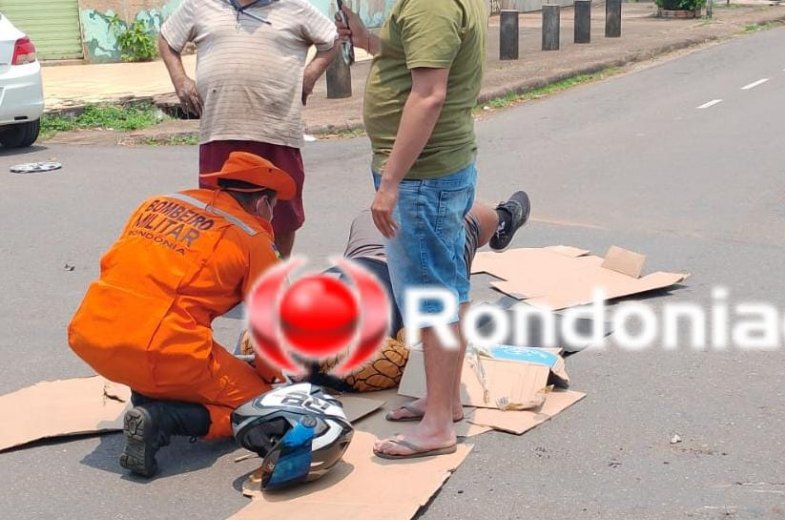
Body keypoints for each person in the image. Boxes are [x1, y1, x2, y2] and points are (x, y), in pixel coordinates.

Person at [67, 152, 296, 479]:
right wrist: (271, 379)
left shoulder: (156, 203)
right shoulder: (251, 238)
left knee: (175, 351)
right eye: (273, 208)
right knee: (259, 407)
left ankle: (152, 395)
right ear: (262, 204)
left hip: (92, 335)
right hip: (160, 350)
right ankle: (162, 419)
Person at [336, 0, 486, 460]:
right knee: (444, 289)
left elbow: (429, 94)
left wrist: (392, 184)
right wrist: (368, 41)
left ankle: (438, 424)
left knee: (432, 295)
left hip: (421, 179)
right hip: (433, 172)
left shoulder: (429, 3)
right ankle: (445, 402)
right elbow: (416, 57)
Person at [238, 191, 531, 397]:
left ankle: (501, 217)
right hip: (410, 261)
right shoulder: (359, 359)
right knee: (469, 219)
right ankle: (504, 217)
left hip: (372, 255)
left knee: (423, 215)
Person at [157, 0, 339, 259]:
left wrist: (310, 75)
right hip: (220, 130)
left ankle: (275, 275)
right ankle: (226, 277)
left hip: (277, 131)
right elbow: (167, 39)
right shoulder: (200, 5)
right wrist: (180, 80)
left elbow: (331, 41)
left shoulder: (293, 6)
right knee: (219, 213)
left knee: (282, 215)